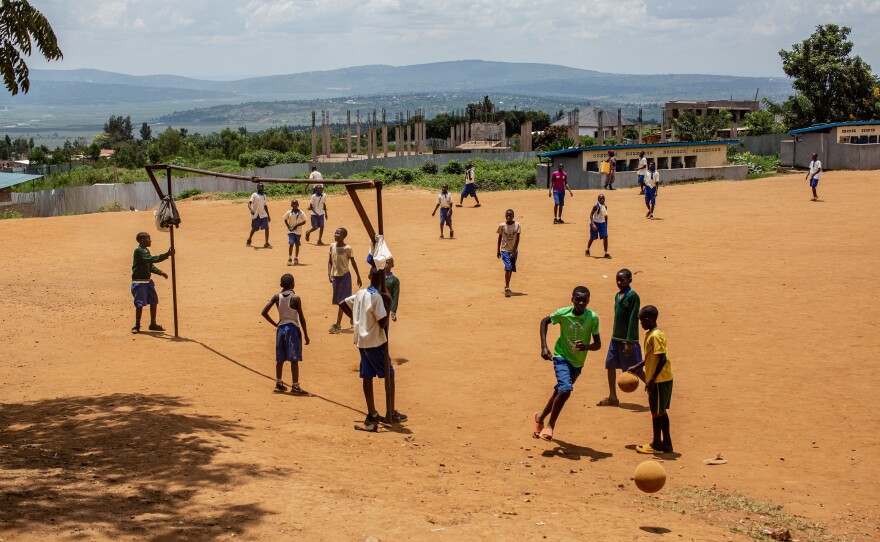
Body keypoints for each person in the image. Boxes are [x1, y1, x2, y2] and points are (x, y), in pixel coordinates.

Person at [339, 267, 407, 432]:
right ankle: (390, 412)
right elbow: (382, 324)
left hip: (361, 342)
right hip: (375, 343)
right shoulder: (377, 298)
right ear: (382, 280)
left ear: (369, 277)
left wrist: (357, 319)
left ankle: (372, 413)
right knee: (389, 374)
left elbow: (342, 303)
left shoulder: (361, 293)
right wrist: (389, 303)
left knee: (367, 376)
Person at [533, 286, 601, 442]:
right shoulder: (563, 313)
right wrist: (544, 346)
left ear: (589, 301)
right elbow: (544, 321)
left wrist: (587, 346)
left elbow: (598, 344)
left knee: (560, 392)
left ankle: (540, 417)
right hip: (561, 357)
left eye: (584, 300)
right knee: (566, 390)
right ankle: (550, 425)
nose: (581, 303)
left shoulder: (593, 318)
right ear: (572, 300)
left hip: (577, 363)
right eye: (578, 299)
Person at [627, 305, 673, 454]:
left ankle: (656, 445)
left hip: (659, 380)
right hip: (661, 379)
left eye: (642, 321)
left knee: (656, 413)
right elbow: (651, 357)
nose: (641, 324)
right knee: (662, 412)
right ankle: (666, 444)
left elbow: (662, 358)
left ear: (650, 319)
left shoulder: (655, 336)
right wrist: (637, 366)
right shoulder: (652, 334)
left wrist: (651, 379)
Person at [597, 268, 645, 407]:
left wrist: (629, 341)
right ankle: (613, 397)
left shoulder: (633, 296)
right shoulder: (617, 295)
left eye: (622, 280)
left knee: (636, 369)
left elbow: (633, 319)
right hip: (615, 338)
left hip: (627, 340)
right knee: (610, 365)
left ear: (630, 280)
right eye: (617, 279)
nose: (618, 282)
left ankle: (655, 390)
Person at [261, 273, 310, 395]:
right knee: (294, 359)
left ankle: (279, 383)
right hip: (292, 329)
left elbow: (264, 312)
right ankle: (295, 386)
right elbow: (302, 318)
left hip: (281, 329)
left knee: (280, 358)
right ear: (293, 284)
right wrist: (306, 334)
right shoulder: (295, 298)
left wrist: (275, 324)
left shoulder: (277, 297)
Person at [130, 232, 173, 334]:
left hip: (147, 282)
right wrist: (166, 255)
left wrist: (160, 272)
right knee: (139, 304)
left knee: (154, 301)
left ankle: (153, 323)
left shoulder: (145, 250)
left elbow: (150, 265)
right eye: (148, 239)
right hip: (139, 282)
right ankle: (137, 325)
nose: (150, 241)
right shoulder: (138, 251)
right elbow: (150, 259)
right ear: (142, 240)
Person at [328, 227, 362, 334]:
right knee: (339, 300)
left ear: (344, 236)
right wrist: (329, 274)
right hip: (335, 277)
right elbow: (329, 262)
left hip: (345, 277)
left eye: (338, 233)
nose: (336, 234)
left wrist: (358, 276)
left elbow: (353, 262)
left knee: (342, 301)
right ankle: (353, 315)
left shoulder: (348, 248)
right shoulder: (332, 246)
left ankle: (338, 325)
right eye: (335, 232)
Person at [496, 209, 521, 298]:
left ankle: (507, 285)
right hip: (504, 250)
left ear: (513, 216)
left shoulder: (517, 225)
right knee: (508, 267)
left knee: (510, 269)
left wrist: (514, 251)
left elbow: (518, 239)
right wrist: (498, 250)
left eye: (510, 215)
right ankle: (507, 288)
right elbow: (499, 237)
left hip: (514, 250)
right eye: (507, 215)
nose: (508, 217)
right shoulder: (502, 225)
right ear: (505, 216)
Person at [585, 194, 610, 258]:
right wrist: (592, 224)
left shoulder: (605, 206)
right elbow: (591, 215)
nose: (602, 200)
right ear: (598, 199)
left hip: (602, 223)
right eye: (601, 198)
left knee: (605, 237)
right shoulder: (595, 206)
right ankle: (587, 249)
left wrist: (606, 225)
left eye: (603, 198)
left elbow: (605, 215)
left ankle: (606, 253)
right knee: (592, 238)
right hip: (595, 223)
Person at [246, 182, 271, 248]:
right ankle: (249, 239)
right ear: (257, 188)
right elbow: (249, 203)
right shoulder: (254, 195)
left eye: (262, 187)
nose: (261, 188)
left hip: (263, 214)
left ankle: (266, 243)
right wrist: (251, 209)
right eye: (260, 187)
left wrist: (268, 215)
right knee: (254, 229)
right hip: (256, 215)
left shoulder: (264, 196)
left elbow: (265, 206)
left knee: (267, 227)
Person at [283, 199, 307, 265]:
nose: (294, 205)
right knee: (291, 243)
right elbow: (285, 220)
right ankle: (290, 258)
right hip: (291, 231)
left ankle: (296, 257)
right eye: (293, 204)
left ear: (298, 205)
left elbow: (304, 221)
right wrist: (289, 227)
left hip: (298, 231)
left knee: (297, 244)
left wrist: (297, 225)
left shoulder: (301, 213)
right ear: (291, 205)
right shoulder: (289, 213)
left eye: (296, 204)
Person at [385, 257, 400, 322]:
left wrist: (393, 311)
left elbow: (395, 296)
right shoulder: (377, 276)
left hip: (386, 307)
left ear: (392, 265)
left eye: (387, 263)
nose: (385, 264)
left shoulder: (394, 280)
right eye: (384, 262)